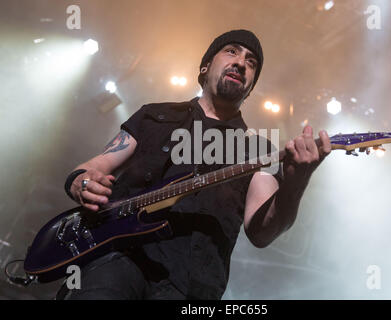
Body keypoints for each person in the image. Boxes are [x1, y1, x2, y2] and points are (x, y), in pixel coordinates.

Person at [56, 29, 331, 300]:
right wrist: (81, 181)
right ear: (205, 66)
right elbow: (93, 167)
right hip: (115, 261)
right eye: (232, 51)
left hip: (192, 288)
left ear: (250, 89)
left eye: (251, 62)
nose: (241, 63)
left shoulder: (259, 150)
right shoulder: (154, 116)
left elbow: (261, 233)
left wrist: (296, 182)